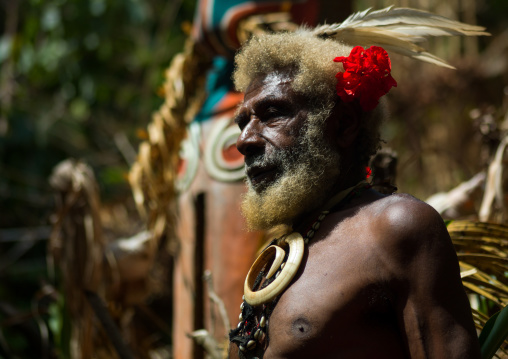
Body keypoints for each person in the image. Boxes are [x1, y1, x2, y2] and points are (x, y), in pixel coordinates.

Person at [227, 25, 482, 358]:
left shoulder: (395, 227)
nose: (245, 141)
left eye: (272, 113)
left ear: (344, 124)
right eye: (242, 122)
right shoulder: (276, 258)